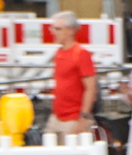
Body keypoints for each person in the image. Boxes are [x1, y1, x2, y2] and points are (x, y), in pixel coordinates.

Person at [41, 12, 97, 142]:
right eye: (53, 28)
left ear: (71, 30)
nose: (53, 32)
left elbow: (91, 88)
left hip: (74, 118)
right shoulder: (58, 53)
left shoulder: (81, 53)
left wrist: (83, 118)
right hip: (57, 116)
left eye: (58, 29)